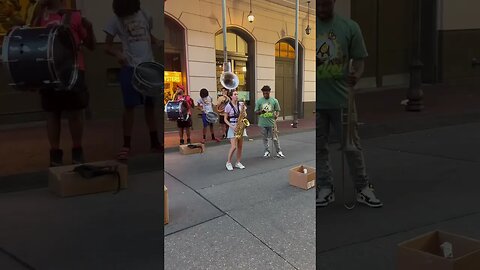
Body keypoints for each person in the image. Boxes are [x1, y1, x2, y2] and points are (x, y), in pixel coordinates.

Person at [316, 0, 382, 208]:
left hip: (342, 99)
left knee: (352, 146)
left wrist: (357, 75)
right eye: (318, 4)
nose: (321, 9)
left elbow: (360, 59)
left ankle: (363, 188)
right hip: (316, 103)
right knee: (318, 148)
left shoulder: (350, 27)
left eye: (325, 4)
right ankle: (325, 187)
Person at [32, 0, 94, 166]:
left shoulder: (73, 14)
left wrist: (89, 28)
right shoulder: (41, 14)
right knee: (52, 113)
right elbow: (34, 40)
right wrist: (38, 14)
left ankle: (77, 151)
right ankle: (55, 154)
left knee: (75, 112)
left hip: (73, 68)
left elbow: (90, 44)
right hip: (50, 69)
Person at [104, 0, 161, 161]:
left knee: (150, 107)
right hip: (130, 68)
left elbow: (147, 33)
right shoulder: (115, 19)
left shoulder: (145, 14)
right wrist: (118, 54)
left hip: (149, 67)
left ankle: (155, 142)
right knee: (129, 107)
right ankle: (126, 145)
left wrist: (155, 40)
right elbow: (106, 47)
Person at [255, 85, 285, 158]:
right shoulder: (259, 101)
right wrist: (260, 112)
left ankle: (279, 151)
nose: (265, 94)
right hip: (262, 123)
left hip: (272, 123)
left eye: (267, 93)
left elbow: (278, 110)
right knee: (265, 138)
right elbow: (256, 111)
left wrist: (277, 116)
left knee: (275, 138)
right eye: (264, 93)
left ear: (269, 92)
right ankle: (267, 151)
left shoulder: (274, 101)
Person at [224, 90, 247, 171]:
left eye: (237, 94)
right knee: (234, 147)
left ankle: (238, 162)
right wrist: (232, 127)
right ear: (231, 96)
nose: (236, 95)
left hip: (240, 126)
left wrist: (244, 112)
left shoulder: (241, 104)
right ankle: (228, 162)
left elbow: (244, 115)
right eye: (235, 94)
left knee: (240, 146)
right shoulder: (228, 106)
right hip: (233, 126)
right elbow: (225, 119)